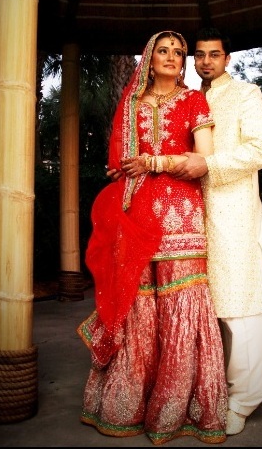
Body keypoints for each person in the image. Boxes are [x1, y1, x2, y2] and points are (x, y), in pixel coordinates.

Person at [77, 30, 228, 446]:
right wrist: (123, 169)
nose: (172, 57)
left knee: (183, 303)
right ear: (149, 57)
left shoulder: (194, 101)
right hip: (137, 211)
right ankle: (127, 407)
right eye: (164, 50)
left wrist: (153, 162)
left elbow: (205, 158)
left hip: (182, 214)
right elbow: (121, 161)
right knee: (138, 303)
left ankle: (174, 410)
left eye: (179, 52)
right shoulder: (131, 104)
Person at [172, 28, 262, 436]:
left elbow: (260, 149)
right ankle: (212, 390)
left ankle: (243, 400)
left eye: (214, 54)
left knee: (241, 305)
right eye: (199, 55)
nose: (206, 61)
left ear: (227, 58)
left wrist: (210, 165)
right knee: (205, 307)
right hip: (191, 214)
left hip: (233, 211)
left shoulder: (245, 94)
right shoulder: (186, 98)